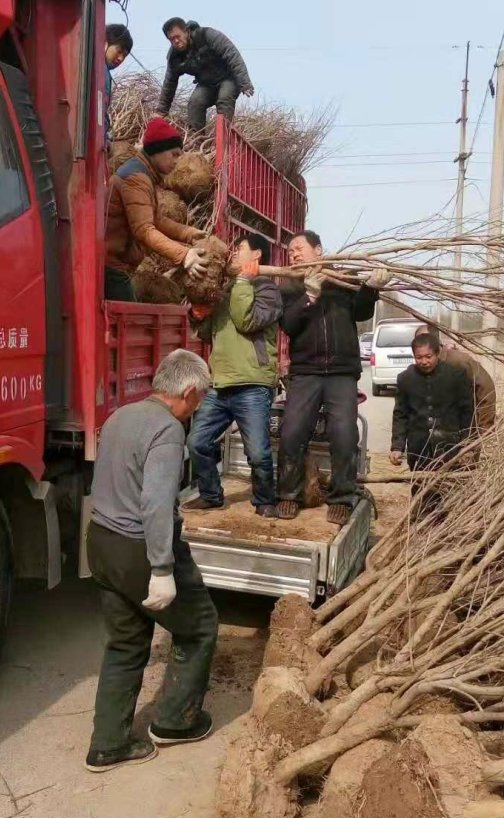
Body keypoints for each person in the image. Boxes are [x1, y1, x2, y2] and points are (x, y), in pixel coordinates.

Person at [85, 349, 219, 772]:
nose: (198, 407)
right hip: (137, 548)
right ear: (190, 392)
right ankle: (175, 723)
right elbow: (157, 503)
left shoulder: (121, 416)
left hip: (101, 541)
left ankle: (107, 744)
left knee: (125, 642)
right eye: (200, 399)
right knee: (199, 627)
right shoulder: (167, 430)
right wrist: (162, 569)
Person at [276, 230, 388, 526]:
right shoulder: (289, 287)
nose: (294, 254)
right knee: (291, 433)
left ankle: (341, 497)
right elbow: (287, 325)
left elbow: (361, 311)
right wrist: (309, 296)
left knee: (344, 435)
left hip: (341, 372)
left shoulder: (342, 280)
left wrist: (371, 289)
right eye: (290, 251)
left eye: (299, 248)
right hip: (306, 372)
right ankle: (288, 494)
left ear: (319, 250)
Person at [186, 233, 282, 517]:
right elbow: (209, 334)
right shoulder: (227, 288)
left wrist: (242, 282)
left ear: (256, 256)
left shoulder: (267, 290)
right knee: (197, 441)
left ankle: (264, 500)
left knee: (258, 453)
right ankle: (211, 495)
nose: (233, 253)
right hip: (222, 384)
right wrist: (199, 316)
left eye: (239, 249)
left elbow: (247, 321)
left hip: (253, 383)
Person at [105, 117, 208, 301]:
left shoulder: (142, 174)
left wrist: (189, 233)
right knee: (127, 325)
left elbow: (156, 219)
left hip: (114, 266)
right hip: (111, 268)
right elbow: (144, 230)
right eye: (174, 154)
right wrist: (184, 255)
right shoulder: (136, 178)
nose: (177, 161)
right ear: (157, 151)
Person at [390, 332, 474, 476]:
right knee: (421, 490)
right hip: (418, 448)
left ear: (438, 353)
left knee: (449, 489)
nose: (424, 361)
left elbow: (467, 412)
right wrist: (397, 447)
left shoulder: (456, 375)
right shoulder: (405, 379)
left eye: (428, 357)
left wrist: (467, 445)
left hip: (450, 445)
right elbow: (400, 414)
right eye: (419, 357)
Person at [155, 18, 254, 133]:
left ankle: (222, 140)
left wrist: (245, 83)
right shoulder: (175, 57)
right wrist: (161, 111)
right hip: (206, 84)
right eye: (172, 39)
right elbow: (169, 83)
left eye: (178, 36)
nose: (176, 41)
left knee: (224, 98)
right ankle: (196, 142)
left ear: (186, 31)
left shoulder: (207, 36)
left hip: (228, 77)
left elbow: (232, 54)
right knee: (195, 103)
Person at [414, 324, 496, 433]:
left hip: (463, 434)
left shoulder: (459, 362)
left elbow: (486, 388)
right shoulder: (420, 368)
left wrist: (485, 427)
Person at [104, 23, 133, 143]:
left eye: (124, 56)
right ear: (105, 43)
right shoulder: (100, 71)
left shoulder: (103, 71)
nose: (120, 59)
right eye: (119, 51)